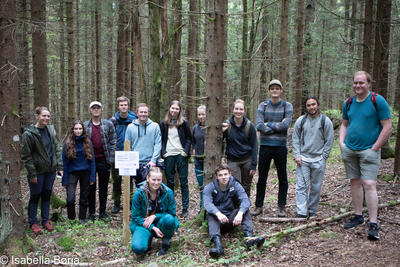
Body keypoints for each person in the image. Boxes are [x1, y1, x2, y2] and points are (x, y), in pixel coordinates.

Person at [340, 71, 392, 240]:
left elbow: (387, 127)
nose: (358, 86)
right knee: (354, 183)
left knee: (369, 184)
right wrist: (342, 144)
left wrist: (375, 148)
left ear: (369, 83)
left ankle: (374, 223)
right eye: (356, 83)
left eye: (361, 83)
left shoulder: (377, 101)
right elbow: (344, 124)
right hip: (350, 149)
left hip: (369, 150)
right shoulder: (348, 102)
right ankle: (358, 216)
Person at [204, 164, 265, 257]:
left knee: (245, 210)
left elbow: (245, 200)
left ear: (230, 174)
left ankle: (250, 239)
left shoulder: (235, 185)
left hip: (231, 219)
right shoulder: (209, 187)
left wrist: (240, 214)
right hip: (217, 221)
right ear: (216, 176)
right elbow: (207, 204)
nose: (223, 177)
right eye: (220, 175)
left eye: (225, 174)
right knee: (210, 215)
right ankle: (218, 245)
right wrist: (218, 214)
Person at [252, 79, 293, 217]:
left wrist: (268, 124)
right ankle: (258, 206)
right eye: (272, 88)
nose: (275, 90)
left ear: (281, 90)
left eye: (277, 88)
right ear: (269, 90)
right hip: (265, 147)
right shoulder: (262, 106)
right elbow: (258, 126)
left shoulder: (287, 106)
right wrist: (276, 127)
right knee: (262, 178)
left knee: (283, 178)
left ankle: (281, 206)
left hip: (280, 147)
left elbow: (286, 125)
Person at [21, 107, 63, 234]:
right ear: (37, 116)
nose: (46, 118)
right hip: (37, 172)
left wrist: (59, 166)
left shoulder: (50, 130)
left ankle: (46, 220)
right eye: (44, 116)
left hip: (50, 171)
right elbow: (26, 156)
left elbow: (56, 148)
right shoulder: (29, 134)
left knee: (46, 195)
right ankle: (32, 222)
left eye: (48, 116)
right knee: (35, 197)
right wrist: (32, 173)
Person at [292, 96, 334, 218]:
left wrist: (324, 157)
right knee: (301, 186)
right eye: (309, 105)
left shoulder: (325, 121)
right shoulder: (301, 120)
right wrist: (297, 155)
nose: (312, 107)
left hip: (318, 160)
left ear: (318, 105)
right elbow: (295, 139)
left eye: (313, 104)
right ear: (306, 107)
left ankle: (312, 210)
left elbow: (329, 140)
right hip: (303, 159)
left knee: (316, 187)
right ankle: (301, 212)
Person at [130, 167, 179, 257]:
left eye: (159, 180)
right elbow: (136, 217)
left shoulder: (168, 192)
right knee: (138, 248)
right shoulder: (139, 194)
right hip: (144, 224)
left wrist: (155, 216)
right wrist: (153, 228)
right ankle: (147, 240)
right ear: (147, 179)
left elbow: (172, 213)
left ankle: (165, 244)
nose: (156, 183)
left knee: (169, 219)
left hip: (161, 222)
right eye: (153, 180)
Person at [84, 101, 117, 221]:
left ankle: (102, 212)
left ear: (101, 110)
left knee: (103, 187)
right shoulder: (85, 125)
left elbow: (114, 141)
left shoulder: (108, 124)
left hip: (104, 160)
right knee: (91, 188)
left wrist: (111, 159)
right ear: (90, 111)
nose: (96, 110)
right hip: (90, 162)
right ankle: (91, 213)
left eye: (98, 108)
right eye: (93, 108)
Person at [160, 100, 192, 218]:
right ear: (169, 108)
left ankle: (185, 207)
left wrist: (185, 151)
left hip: (181, 154)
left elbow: (189, 138)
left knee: (183, 181)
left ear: (179, 110)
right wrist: (164, 152)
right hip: (169, 155)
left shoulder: (184, 123)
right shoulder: (164, 123)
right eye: (172, 108)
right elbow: (161, 139)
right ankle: (171, 207)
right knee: (170, 182)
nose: (174, 110)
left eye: (176, 109)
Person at [221, 99, 258, 197]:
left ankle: (244, 208)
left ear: (245, 111)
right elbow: (220, 142)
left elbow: (255, 146)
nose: (238, 111)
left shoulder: (250, 126)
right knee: (235, 185)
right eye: (236, 108)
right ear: (233, 109)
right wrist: (221, 132)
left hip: (247, 159)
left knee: (246, 186)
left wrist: (253, 165)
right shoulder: (226, 125)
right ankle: (236, 208)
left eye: (241, 109)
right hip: (232, 160)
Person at [62, 120, 96, 223]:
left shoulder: (87, 142)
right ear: (72, 130)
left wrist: (92, 177)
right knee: (70, 198)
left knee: (84, 197)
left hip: (85, 172)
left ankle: (82, 218)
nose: (78, 131)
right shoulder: (67, 144)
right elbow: (64, 162)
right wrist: (64, 180)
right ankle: (71, 219)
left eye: (80, 128)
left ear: (83, 130)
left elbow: (92, 161)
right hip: (72, 173)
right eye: (76, 129)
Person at [109, 96, 138, 214]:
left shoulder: (134, 119)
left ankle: (130, 201)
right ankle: (116, 202)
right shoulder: (113, 121)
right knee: (116, 180)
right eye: (121, 105)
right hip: (117, 154)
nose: (123, 107)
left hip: (130, 154)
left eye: (125, 105)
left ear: (128, 106)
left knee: (129, 179)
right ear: (118, 106)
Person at [125, 103, 162, 187]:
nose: (143, 114)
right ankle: (139, 200)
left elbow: (158, 143)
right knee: (138, 187)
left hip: (150, 163)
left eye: (145, 112)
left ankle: (150, 201)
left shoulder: (155, 126)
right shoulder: (130, 127)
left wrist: (153, 159)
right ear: (137, 113)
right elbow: (127, 145)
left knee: (151, 187)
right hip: (135, 162)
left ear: (148, 113)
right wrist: (130, 160)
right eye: (141, 112)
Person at [192, 105, 206, 212]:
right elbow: (193, 141)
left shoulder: (211, 127)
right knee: (201, 186)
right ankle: (201, 209)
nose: (201, 117)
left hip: (209, 160)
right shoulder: (195, 128)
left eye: (203, 114)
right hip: (198, 160)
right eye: (199, 114)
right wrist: (193, 150)